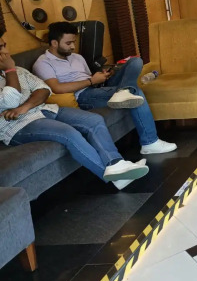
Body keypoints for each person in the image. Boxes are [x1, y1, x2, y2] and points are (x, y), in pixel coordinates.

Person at [0, 31, 148, 190]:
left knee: (94, 120)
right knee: (69, 133)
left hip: (45, 109)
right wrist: (10, 71)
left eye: (5, 45)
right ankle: (115, 179)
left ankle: (116, 164)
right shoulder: (13, 70)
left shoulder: (19, 70)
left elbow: (44, 89)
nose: (6, 51)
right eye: (0, 47)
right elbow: (10, 100)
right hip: (17, 125)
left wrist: (24, 106)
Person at [33, 22, 176, 155]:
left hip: (96, 87)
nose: (73, 46)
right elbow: (56, 88)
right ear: (54, 43)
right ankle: (149, 142)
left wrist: (102, 76)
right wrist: (91, 81)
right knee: (135, 91)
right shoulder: (43, 63)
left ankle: (123, 91)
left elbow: (88, 77)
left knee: (135, 61)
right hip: (83, 96)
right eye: (68, 43)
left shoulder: (76, 57)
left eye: (74, 42)